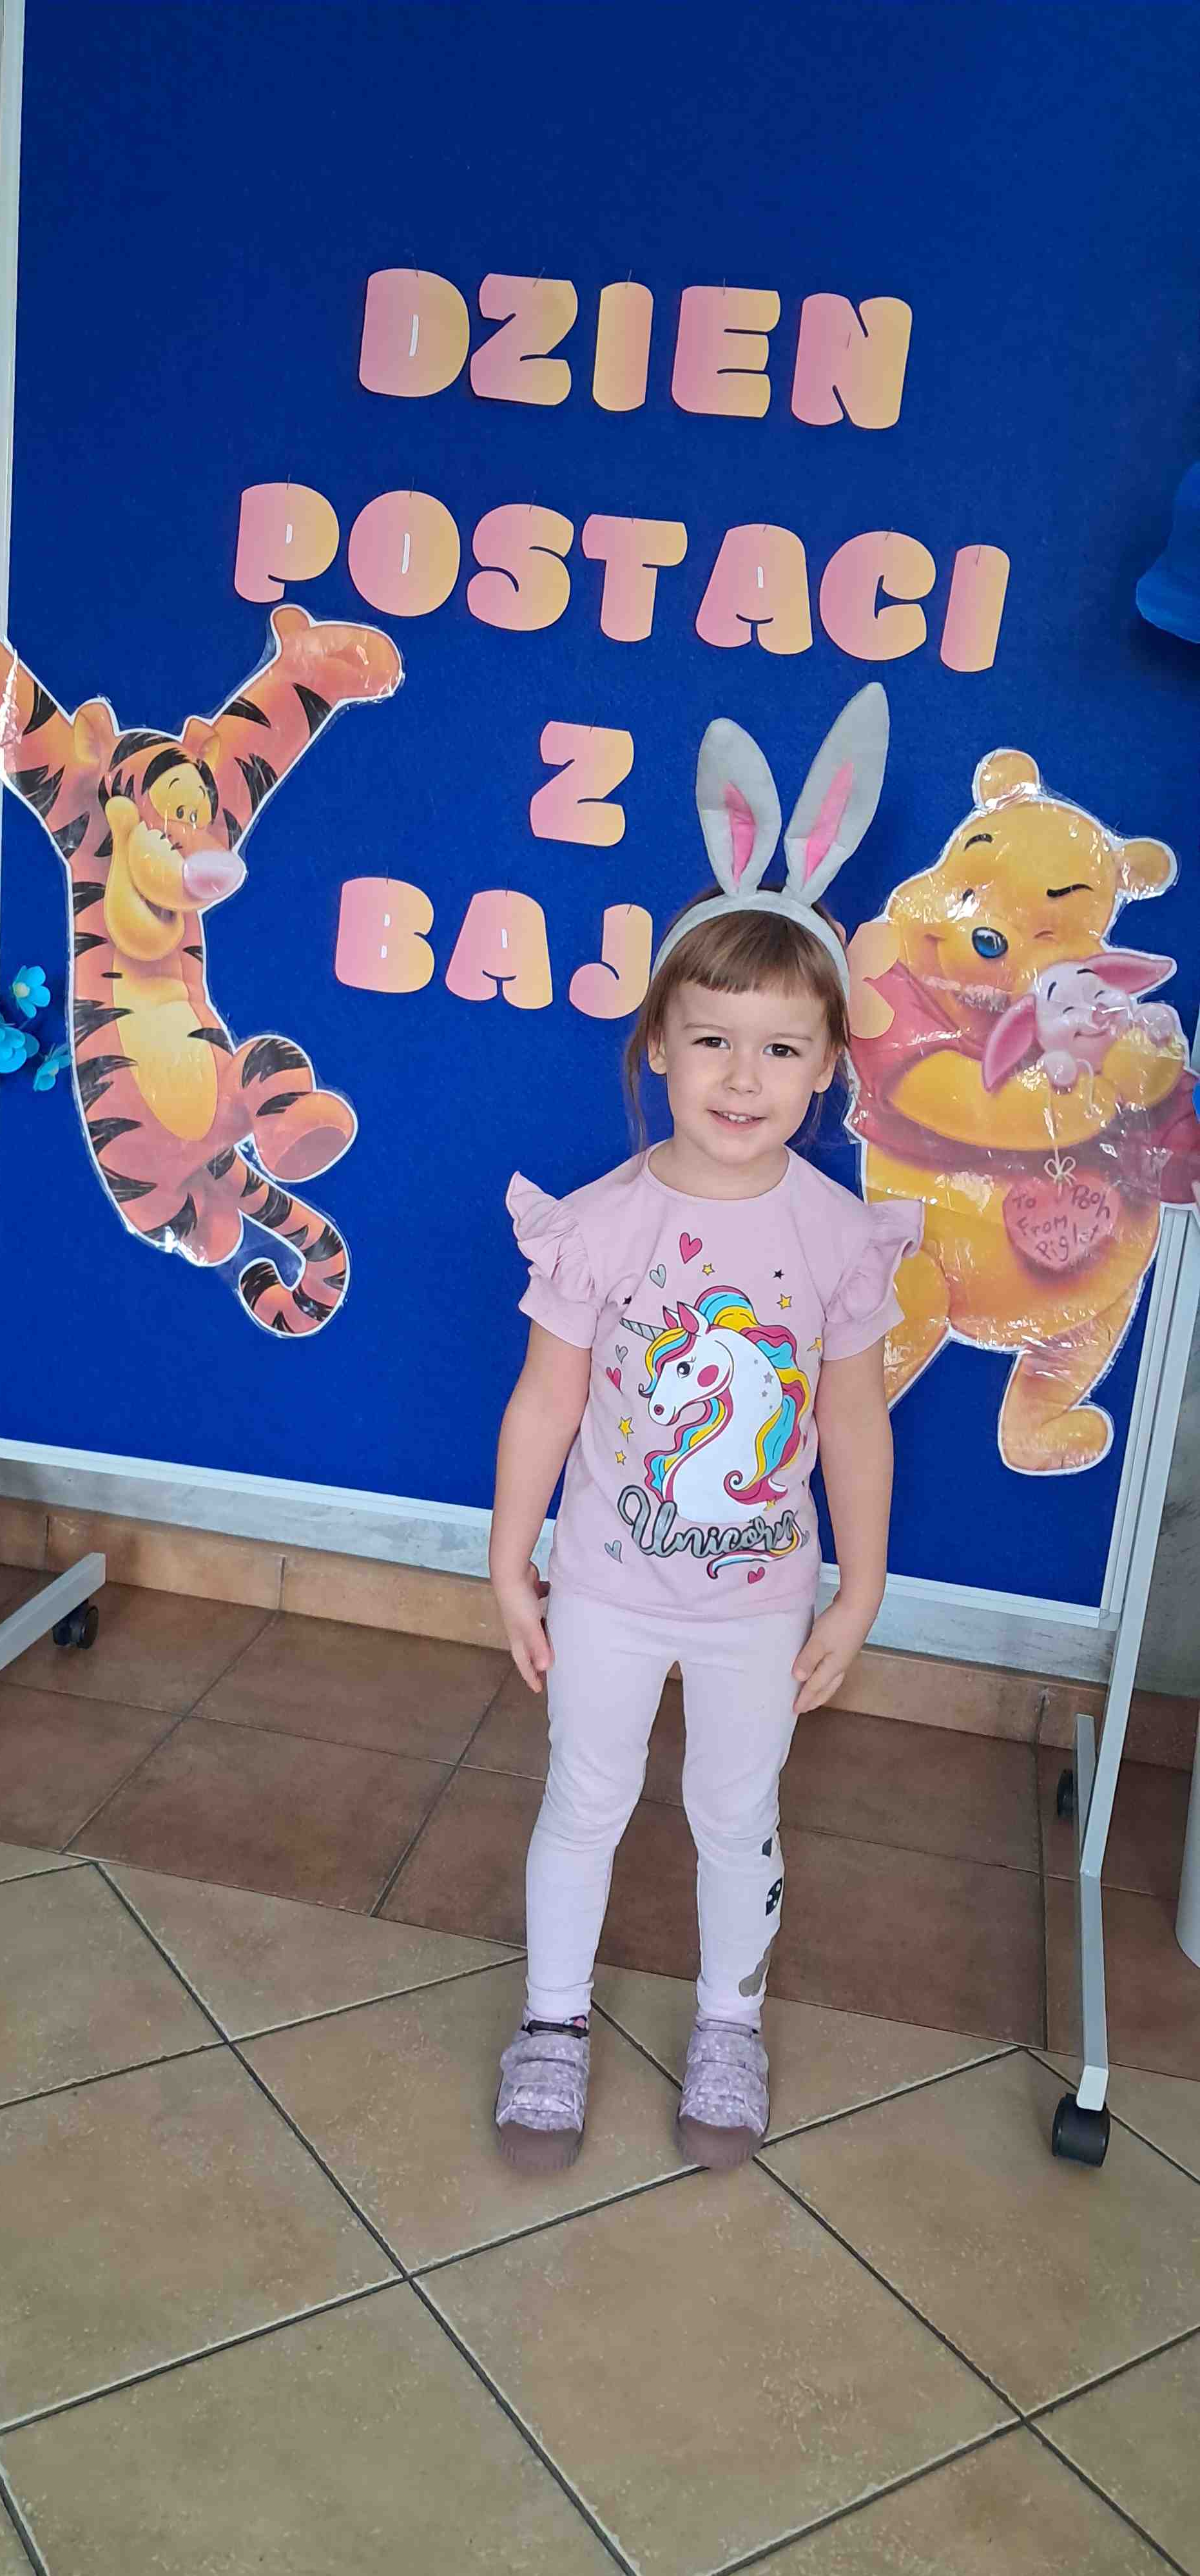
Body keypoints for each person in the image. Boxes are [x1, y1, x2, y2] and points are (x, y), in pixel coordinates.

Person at [489, 691, 922, 2173]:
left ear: (829, 1065)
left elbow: (853, 1421)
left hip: (758, 1603)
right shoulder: (601, 1225)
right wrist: (511, 1563)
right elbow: (546, 1400)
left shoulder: (837, 1236)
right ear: (659, 1048)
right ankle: (554, 2023)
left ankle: (730, 2020)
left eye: (783, 1050)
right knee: (585, 1802)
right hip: (608, 1587)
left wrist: (859, 1589)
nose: (745, 1079)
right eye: (714, 1041)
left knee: (738, 1817)